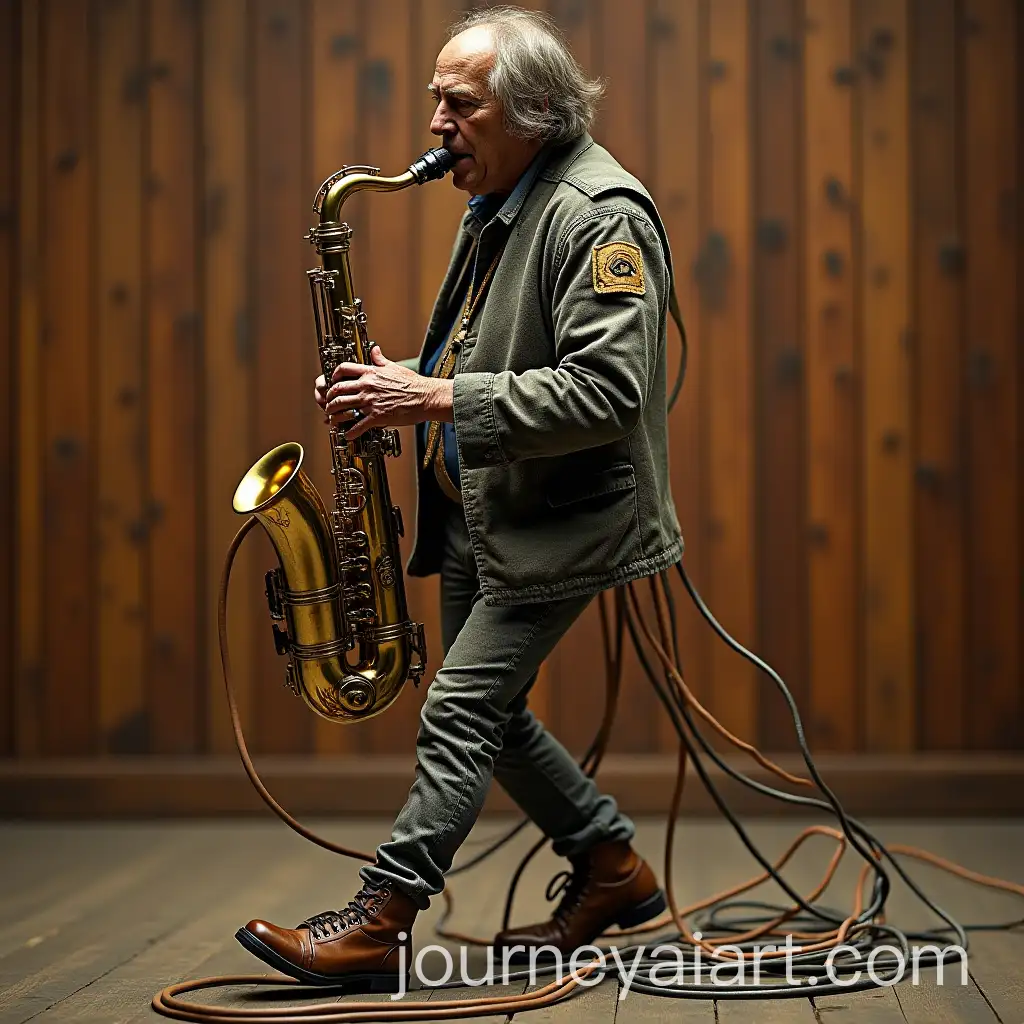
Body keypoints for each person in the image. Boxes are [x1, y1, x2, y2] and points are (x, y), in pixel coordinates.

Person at [236, 5, 684, 991]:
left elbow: (610, 393)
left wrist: (428, 395)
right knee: (492, 713)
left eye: (459, 104)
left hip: (562, 517)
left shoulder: (599, 214)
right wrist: (389, 379)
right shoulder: (499, 199)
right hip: (487, 504)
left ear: (536, 110)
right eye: (436, 99)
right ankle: (612, 866)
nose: (433, 125)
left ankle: (383, 918)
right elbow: (484, 357)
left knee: (459, 706)